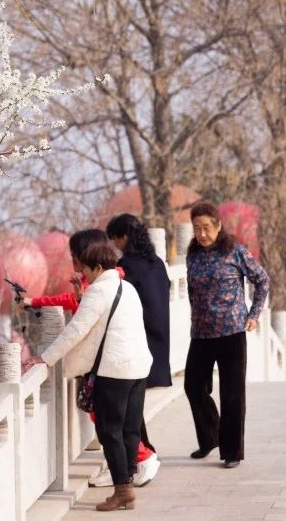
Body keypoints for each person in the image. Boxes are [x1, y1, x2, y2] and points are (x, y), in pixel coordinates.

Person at [26, 231, 152, 512]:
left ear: (97, 268)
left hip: (114, 371)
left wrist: (46, 358)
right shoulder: (126, 287)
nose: (81, 272)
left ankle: (122, 490)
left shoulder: (99, 290)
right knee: (131, 429)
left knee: (110, 431)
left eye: (84, 268)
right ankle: (127, 483)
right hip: (139, 367)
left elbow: (75, 330)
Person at [184, 201, 270, 468]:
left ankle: (232, 452)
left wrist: (253, 314)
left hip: (232, 332)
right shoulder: (193, 255)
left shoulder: (235, 252)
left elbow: (262, 280)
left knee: (232, 394)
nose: (202, 234)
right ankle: (210, 437)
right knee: (193, 387)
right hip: (201, 333)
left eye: (207, 228)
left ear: (218, 226)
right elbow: (191, 291)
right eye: (197, 228)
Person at [103, 213, 171, 486]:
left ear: (124, 237)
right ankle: (141, 457)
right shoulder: (157, 264)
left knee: (128, 409)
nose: (116, 245)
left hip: (138, 340)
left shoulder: (126, 266)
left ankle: (138, 460)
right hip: (159, 337)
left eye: (116, 239)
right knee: (134, 407)